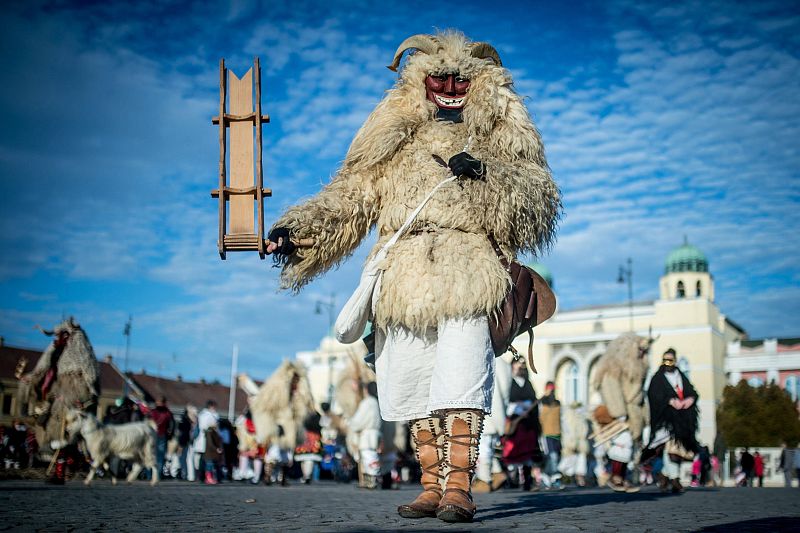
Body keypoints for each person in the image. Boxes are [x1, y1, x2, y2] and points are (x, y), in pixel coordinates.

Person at [265, 31, 560, 523]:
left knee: (463, 378)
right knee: (413, 381)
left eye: (459, 78)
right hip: (401, 276)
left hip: (468, 270)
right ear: (420, 83)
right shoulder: (392, 147)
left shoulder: (497, 142)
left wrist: (487, 173)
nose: (448, 86)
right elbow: (348, 199)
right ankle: (430, 486)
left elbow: (537, 200)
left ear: (480, 84)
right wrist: (296, 234)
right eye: (438, 77)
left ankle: (460, 487)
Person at [17, 318, 100, 484]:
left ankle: (65, 470)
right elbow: (43, 368)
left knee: (66, 436)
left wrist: (88, 394)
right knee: (57, 435)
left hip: (74, 394)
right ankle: (61, 471)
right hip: (60, 394)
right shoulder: (57, 349)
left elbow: (90, 374)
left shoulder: (79, 347)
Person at [238, 362, 317, 486]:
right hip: (279, 425)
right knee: (274, 452)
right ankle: (268, 476)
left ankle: (283, 478)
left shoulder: (297, 395)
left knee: (287, 455)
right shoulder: (278, 392)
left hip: (290, 427)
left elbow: (301, 409)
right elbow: (268, 407)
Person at [592, 332, 652, 493]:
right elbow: (610, 386)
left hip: (634, 412)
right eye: (639, 349)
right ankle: (615, 477)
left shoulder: (640, 367)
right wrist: (619, 412)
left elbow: (641, 393)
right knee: (622, 444)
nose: (642, 352)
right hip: (621, 412)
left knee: (630, 446)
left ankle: (622, 477)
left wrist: (645, 414)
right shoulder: (615, 364)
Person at [644, 348, 699, 493]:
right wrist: (669, 401)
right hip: (665, 420)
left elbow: (691, 391)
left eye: (671, 360)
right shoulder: (658, 378)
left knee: (677, 450)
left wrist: (690, 399)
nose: (668, 363)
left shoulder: (680, 376)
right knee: (670, 449)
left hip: (681, 420)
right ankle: (674, 479)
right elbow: (653, 395)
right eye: (665, 360)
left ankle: (665, 476)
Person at [501, 358, 542, 491]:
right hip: (514, 424)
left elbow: (533, 400)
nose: (521, 366)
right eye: (519, 363)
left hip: (527, 424)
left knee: (527, 453)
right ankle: (511, 479)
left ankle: (527, 481)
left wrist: (527, 408)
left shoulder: (528, 383)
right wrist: (517, 409)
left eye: (523, 364)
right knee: (512, 452)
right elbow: (506, 401)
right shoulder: (509, 382)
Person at [473, 354, 512, 493]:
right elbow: (507, 393)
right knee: (488, 446)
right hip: (498, 411)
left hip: (484, 408)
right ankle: (496, 473)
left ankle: (484, 479)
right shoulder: (505, 364)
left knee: (483, 447)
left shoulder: (484, 358)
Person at [348, 381, 383, 489]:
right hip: (375, 432)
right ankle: (370, 479)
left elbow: (358, 420)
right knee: (371, 455)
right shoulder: (377, 402)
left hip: (367, 433)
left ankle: (372, 480)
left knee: (368, 456)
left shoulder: (367, 402)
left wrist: (351, 423)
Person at [539, 381, 562, 489]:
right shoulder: (541, 403)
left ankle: (546, 477)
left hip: (557, 433)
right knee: (552, 456)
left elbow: (562, 419)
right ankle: (555, 478)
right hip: (546, 434)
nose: (551, 392)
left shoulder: (558, 403)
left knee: (554, 457)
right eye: (549, 390)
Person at [194, 400, 220, 483]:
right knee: (209, 460)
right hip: (208, 440)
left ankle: (200, 476)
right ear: (212, 406)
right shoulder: (211, 416)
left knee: (201, 460)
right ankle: (208, 477)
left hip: (200, 440)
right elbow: (213, 427)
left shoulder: (201, 415)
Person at [150, 396, 175, 478]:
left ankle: (151, 475)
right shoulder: (167, 413)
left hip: (155, 435)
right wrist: (170, 434)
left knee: (153, 455)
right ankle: (156, 475)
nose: (158, 403)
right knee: (159, 456)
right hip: (160, 435)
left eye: (159, 401)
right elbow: (172, 425)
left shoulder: (152, 412)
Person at [203, 419, 223, 485]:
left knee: (211, 466)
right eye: (216, 423)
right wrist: (216, 449)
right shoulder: (209, 431)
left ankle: (210, 478)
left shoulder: (216, 431)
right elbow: (210, 443)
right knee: (209, 466)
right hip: (209, 452)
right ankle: (208, 479)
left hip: (213, 453)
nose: (217, 424)